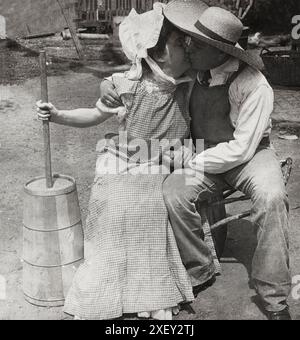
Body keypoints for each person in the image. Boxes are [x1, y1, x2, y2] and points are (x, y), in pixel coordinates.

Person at [101, 0, 292, 321]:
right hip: (203, 152)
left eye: (196, 44)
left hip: (250, 155)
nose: (187, 47)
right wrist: (109, 83)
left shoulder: (254, 86)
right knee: (173, 194)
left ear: (220, 52)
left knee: (272, 197)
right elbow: (143, 68)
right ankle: (200, 267)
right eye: (187, 41)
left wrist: (190, 158)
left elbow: (242, 149)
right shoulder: (195, 68)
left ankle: (275, 298)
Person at [36, 3, 196, 320]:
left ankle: (149, 295)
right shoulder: (124, 85)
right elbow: (94, 115)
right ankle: (107, 289)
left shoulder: (188, 83)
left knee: (149, 206)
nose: (187, 49)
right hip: (125, 159)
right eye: (179, 43)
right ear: (157, 51)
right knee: (115, 205)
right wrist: (59, 115)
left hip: (161, 163)